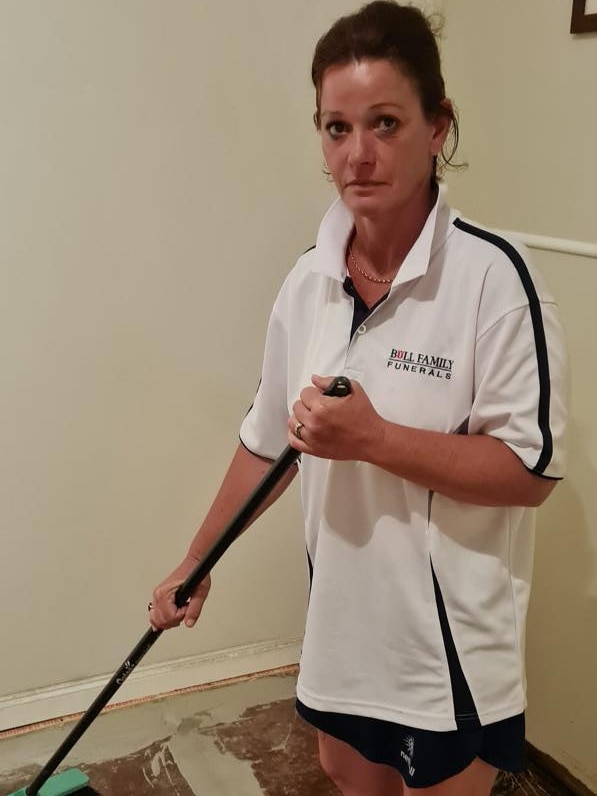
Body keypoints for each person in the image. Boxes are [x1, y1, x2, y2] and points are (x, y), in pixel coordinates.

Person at [150, 2, 568, 794]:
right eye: (336, 128)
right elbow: (271, 439)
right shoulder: (309, 278)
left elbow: (528, 472)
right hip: (344, 632)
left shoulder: (494, 281)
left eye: (384, 122)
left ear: (437, 125)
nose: (358, 154)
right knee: (344, 774)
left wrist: (373, 437)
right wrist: (196, 561)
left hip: (447, 655)